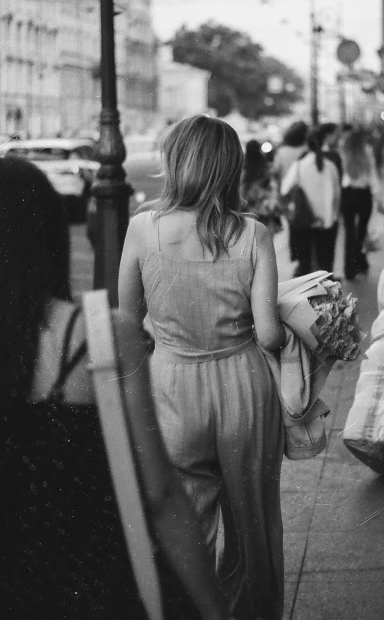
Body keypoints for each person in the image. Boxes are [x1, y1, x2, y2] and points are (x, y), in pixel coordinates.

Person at [0, 155, 229, 620]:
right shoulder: (99, 336)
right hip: (92, 587)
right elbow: (160, 494)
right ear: (50, 234)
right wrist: (214, 611)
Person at [118, 115, 286, 620]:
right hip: (242, 386)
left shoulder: (143, 229)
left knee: (184, 520)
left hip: (171, 384)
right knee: (251, 523)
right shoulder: (252, 234)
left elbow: (127, 321)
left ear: (175, 162)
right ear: (229, 169)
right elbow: (270, 334)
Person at [281, 129, 341, 276]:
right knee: (325, 263)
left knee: (305, 262)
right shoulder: (330, 166)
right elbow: (337, 195)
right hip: (327, 221)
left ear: (307, 145)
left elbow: (284, 189)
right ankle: (326, 294)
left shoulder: (299, 166)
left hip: (304, 220)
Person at [340, 127, 381, 281]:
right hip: (364, 194)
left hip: (347, 194)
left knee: (349, 231)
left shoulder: (343, 152)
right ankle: (361, 262)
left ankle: (349, 268)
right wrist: (378, 197)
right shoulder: (367, 152)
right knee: (362, 230)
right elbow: (373, 175)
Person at [271, 120, 309, 264]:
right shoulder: (306, 150)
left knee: (293, 225)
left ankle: (297, 255)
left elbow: (275, 172)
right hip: (304, 194)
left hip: (286, 195)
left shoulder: (281, 152)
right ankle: (303, 257)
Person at [241, 138, 282, 236]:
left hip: (249, 210)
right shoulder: (265, 168)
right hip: (265, 210)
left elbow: (241, 190)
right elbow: (273, 187)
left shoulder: (243, 169)